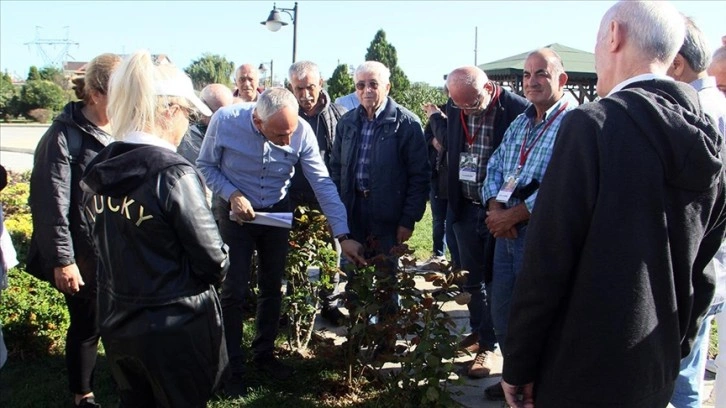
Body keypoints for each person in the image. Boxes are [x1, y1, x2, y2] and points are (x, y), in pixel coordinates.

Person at [500, 2, 726, 407]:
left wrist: (518, 365)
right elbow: (703, 269)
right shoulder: (710, 137)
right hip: (652, 368)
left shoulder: (592, 125)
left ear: (614, 35)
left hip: (580, 370)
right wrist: (674, 349)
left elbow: (547, 261)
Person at [80, 50, 230, 407]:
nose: (188, 126)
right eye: (188, 115)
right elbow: (213, 261)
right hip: (176, 330)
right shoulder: (173, 173)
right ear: (168, 110)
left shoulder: (101, 166)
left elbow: (98, 242)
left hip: (118, 322)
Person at [197, 87, 366, 396]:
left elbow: (322, 183)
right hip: (236, 212)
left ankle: (264, 355)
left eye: (290, 133)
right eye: (279, 135)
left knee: (273, 286)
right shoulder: (225, 120)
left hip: (275, 212)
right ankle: (231, 366)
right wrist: (232, 195)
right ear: (257, 122)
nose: (288, 142)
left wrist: (343, 235)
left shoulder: (300, 131)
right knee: (233, 289)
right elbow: (206, 165)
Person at [26, 52, 121, 408]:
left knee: (116, 319)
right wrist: (64, 260)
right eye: (118, 90)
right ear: (95, 94)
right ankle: (83, 394)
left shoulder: (121, 129)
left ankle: (119, 377)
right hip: (82, 251)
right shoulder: (63, 137)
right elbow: (50, 204)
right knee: (86, 324)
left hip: (114, 247)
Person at [479, 48, 573, 401]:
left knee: (537, 312)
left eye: (541, 74)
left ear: (561, 80)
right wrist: (494, 208)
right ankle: (514, 376)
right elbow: (495, 166)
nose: (531, 81)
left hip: (539, 232)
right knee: (503, 308)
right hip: (505, 230)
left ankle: (537, 384)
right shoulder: (520, 121)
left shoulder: (574, 122)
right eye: (527, 75)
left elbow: (564, 182)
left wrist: (515, 215)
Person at [427, 66, 528, 379]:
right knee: (469, 279)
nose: (467, 110)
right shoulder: (456, 107)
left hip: (500, 213)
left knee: (495, 283)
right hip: (464, 207)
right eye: (460, 105)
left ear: (489, 86)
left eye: (472, 103)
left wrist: (500, 208)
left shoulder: (517, 110)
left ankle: (489, 345)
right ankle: (480, 332)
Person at [330, 60, 429, 334]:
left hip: (388, 216)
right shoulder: (347, 122)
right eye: (361, 85)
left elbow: (419, 177)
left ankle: (385, 340)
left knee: (387, 282)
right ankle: (357, 335)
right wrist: (340, 212)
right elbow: (336, 168)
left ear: (387, 86)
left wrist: (408, 220)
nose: (367, 90)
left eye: (373, 84)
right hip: (354, 213)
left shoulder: (407, 123)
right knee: (353, 276)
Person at [667, 17, 726, 408]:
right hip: (715, 264)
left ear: (675, 63)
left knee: (680, 377)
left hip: (695, 266)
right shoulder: (718, 103)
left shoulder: (692, 110)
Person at [286, 60, 348, 326]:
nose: (305, 95)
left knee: (329, 253)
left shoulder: (340, 114)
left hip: (326, 195)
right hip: (291, 197)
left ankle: (329, 303)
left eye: (310, 87)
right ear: (291, 87)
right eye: (298, 89)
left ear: (320, 83)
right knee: (293, 254)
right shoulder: (284, 112)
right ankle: (294, 303)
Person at [421, 99, 460, 271]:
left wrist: (436, 119)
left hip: (453, 179)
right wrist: (432, 142)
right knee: (438, 219)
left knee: (453, 222)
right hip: (436, 176)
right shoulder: (437, 112)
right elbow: (427, 136)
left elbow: (449, 140)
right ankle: (438, 255)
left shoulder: (458, 114)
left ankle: (456, 263)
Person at [177, 83, 234, 166]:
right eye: (217, 113)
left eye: (227, 113)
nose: (223, 120)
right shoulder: (187, 138)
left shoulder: (234, 133)